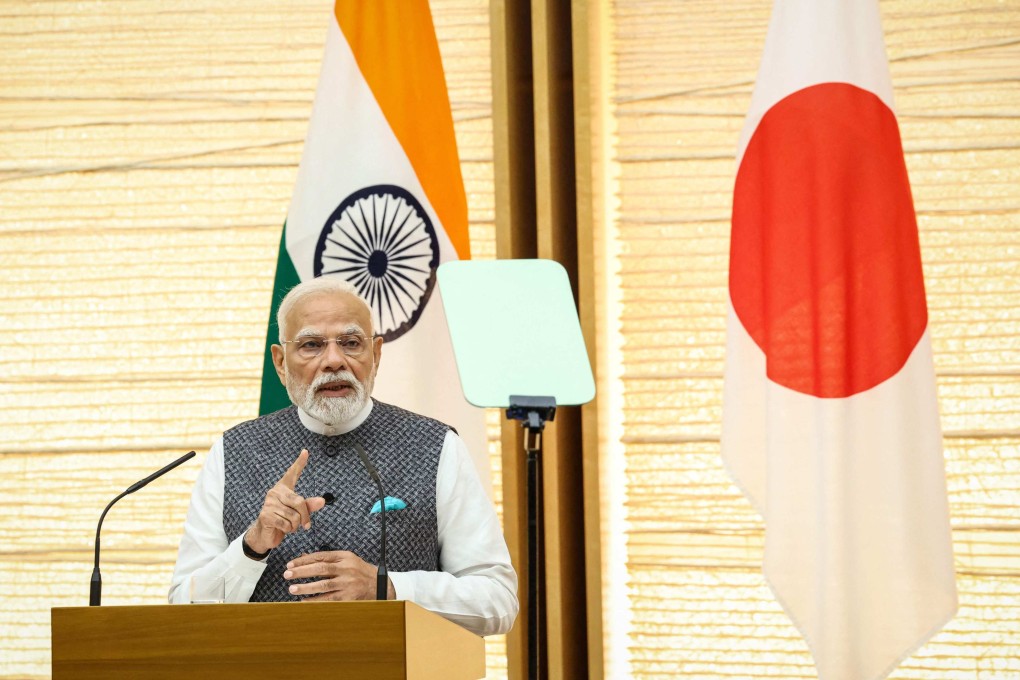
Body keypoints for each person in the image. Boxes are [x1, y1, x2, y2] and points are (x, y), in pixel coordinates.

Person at [169, 277, 518, 636]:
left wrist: (386, 587)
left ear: (376, 355)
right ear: (280, 361)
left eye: (351, 343)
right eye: (311, 345)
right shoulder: (234, 451)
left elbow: (497, 601)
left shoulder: (436, 445)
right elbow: (183, 607)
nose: (334, 360)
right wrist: (251, 546)